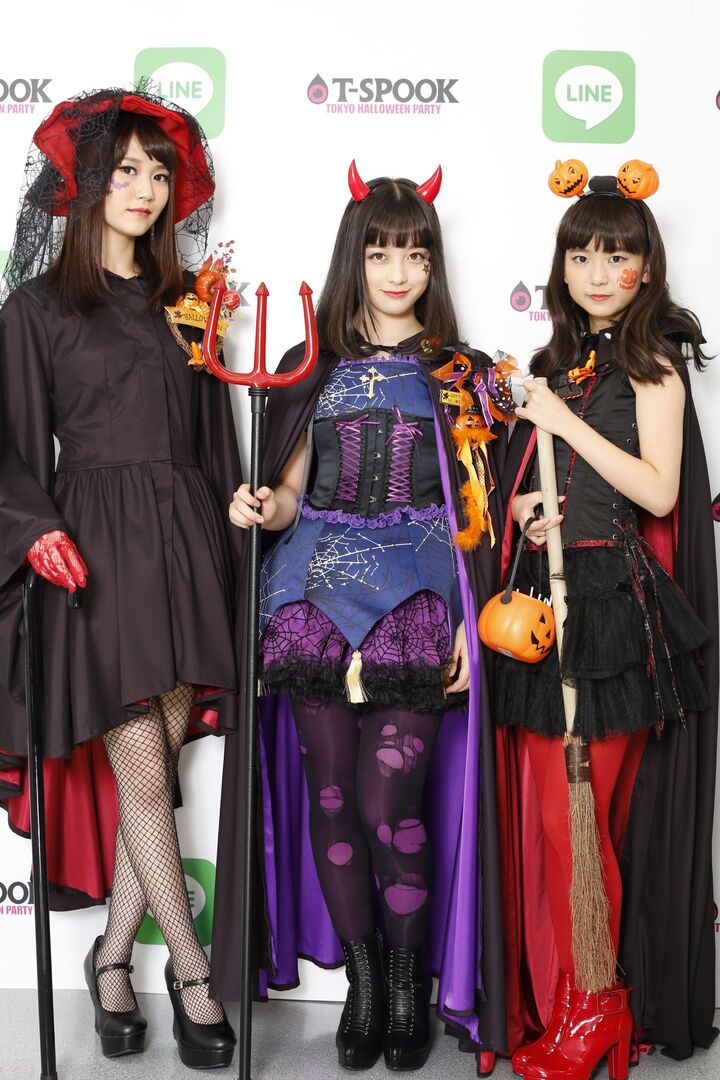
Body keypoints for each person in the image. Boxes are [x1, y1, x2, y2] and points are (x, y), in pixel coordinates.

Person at [210, 163, 513, 1071]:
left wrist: (475, 621)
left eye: (414, 254)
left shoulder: (462, 374)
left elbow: (481, 515)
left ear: (432, 264)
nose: (398, 271)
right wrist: (262, 508)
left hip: (418, 597)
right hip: (313, 593)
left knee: (390, 805)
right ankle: (367, 985)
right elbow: (293, 492)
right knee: (334, 796)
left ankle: (410, 981)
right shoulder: (313, 365)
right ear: (356, 256)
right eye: (380, 252)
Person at [0, 87, 241, 1069]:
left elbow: (215, 441)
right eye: (126, 170)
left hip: (186, 547)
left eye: (159, 172)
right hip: (94, 558)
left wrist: (241, 522)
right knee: (143, 773)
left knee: (155, 772)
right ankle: (193, 973)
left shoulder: (192, 302)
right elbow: (10, 445)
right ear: (86, 180)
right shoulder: (33, 308)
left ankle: (108, 957)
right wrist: (34, 530)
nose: (145, 189)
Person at [492, 166, 717, 1079]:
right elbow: (561, 484)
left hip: (616, 611)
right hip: (550, 603)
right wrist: (529, 511)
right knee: (557, 822)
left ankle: (598, 1010)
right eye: (580, 255)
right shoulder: (564, 364)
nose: (596, 273)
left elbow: (658, 491)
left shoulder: (653, 361)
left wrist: (559, 420)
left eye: (615, 256)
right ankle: (583, 1007)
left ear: (645, 268)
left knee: (577, 821)